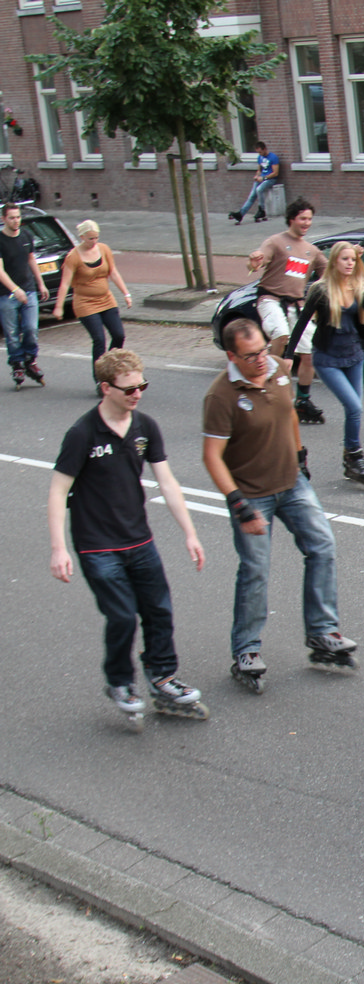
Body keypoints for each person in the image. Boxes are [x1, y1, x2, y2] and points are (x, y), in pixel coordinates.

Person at [48, 349, 208, 729]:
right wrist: (59, 548)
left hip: (139, 539)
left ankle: (163, 677)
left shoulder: (145, 427)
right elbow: (58, 490)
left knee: (158, 610)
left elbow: (167, 481)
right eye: (129, 389)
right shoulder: (82, 433)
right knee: (121, 616)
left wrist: (190, 533)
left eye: (142, 386)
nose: (138, 394)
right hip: (97, 545)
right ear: (106, 388)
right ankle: (119, 682)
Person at [202, 318, 358, 694]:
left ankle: (322, 632)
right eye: (250, 355)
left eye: (262, 350)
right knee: (255, 570)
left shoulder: (276, 370)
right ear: (231, 356)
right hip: (251, 494)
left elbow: (288, 411)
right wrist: (238, 505)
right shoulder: (221, 396)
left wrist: (299, 454)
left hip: (292, 483)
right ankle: (246, 650)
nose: (261, 359)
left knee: (322, 547)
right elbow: (211, 457)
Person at [287, 241, 364, 487]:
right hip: (327, 358)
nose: (350, 264)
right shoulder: (321, 290)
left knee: (355, 409)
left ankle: (351, 457)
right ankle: (354, 455)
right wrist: (288, 355)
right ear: (334, 261)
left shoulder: (360, 286)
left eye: (353, 260)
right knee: (354, 407)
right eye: (344, 259)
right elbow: (302, 322)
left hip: (354, 356)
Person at [247, 197, 327, 425]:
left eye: (309, 219)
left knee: (310, 353)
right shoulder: (275, 242)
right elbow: (256, 262)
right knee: (281, 334)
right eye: (303, 218)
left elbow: (330, 272)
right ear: (292, 219)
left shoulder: (312, 251)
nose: (307, 223)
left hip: (297, 306)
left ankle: (302, 400)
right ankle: (270, 388)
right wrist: (253, 262)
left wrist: (354, 259)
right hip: (270, 300)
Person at [53, 219, 133, 364]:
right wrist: (59, 307)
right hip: (85, 303)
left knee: (119, 335)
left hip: (106, 299)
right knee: (99, 339)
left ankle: (109, 364)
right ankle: (99, 373)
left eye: (96, 237)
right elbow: (65, 283)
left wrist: (126, 294)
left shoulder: (104, 249)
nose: (94, 241)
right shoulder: (73, 257)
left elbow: (113, 272)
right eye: (90, 238)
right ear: (82, 237)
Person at [1, 201, 49, 389]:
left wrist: (41, 283)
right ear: (3, 219)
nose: (16, 221)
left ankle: (30, 359)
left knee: (31, 328)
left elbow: (31, 260)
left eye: (18, 217)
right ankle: (17, 364)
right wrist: (15, 290)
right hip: (6, 294)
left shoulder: (26, 235)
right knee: (12, 333)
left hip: (28, 289)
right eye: (12, 218)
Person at [229, 142, 281, 225]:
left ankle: (262, 210)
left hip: (270, 179)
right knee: (252, 195)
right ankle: (241, 214)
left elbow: (275, 173)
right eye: (258, 152)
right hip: (261, 178)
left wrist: (263, 178)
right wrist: (257, 176)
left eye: (260, 152)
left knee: (259, 189)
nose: (259, 154)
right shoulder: (260, 157)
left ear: (264, 149)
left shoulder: (273, 157)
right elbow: (259, 170)